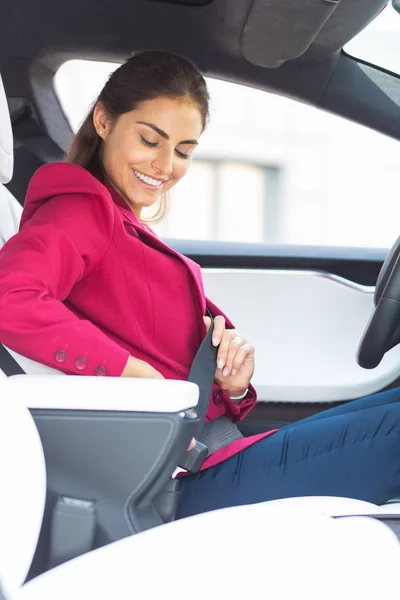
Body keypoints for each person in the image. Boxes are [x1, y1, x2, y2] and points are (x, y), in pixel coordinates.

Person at [0, 50, 400, 521]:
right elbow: (10, 300)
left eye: (185, 150)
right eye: (151, 140)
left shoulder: (120, 218)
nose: (167, 165)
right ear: (104, 121)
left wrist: (230, 383)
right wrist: (135, 375)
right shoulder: (79, 211)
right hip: (169, 481)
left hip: (205, 452)